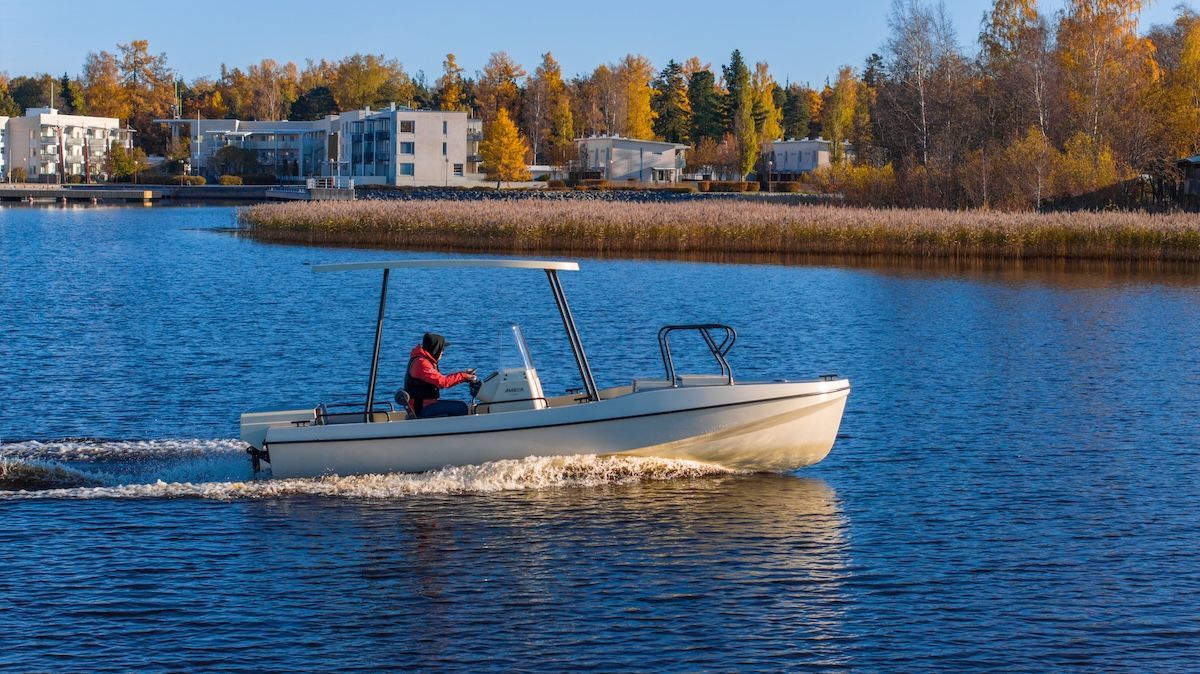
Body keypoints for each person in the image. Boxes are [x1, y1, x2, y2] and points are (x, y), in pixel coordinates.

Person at [404, 332, 477, 418]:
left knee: (460, 405)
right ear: (435, 349)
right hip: (422, 409)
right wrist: (463, 376)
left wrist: (463, 375)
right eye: (442, 349)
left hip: (424, 406)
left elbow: (439, 382)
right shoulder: (422, 363)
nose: (443, 352)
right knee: (461, 408)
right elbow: (443, 382)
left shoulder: (423, 360)